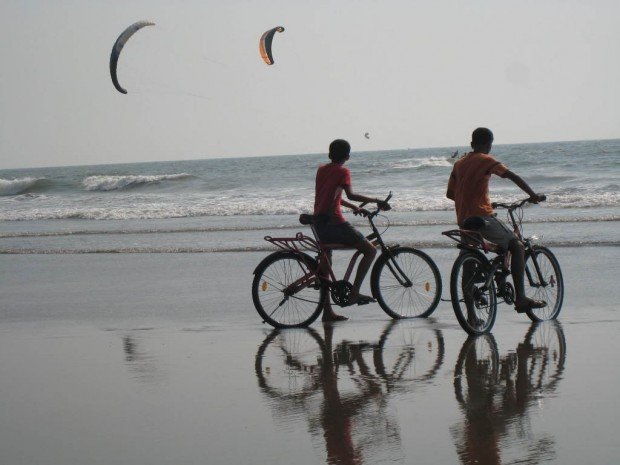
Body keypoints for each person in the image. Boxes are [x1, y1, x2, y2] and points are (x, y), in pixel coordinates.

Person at [446, 127, 546, 313]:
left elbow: (451, 194)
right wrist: (533, 195)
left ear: (471, 144)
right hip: (481, 216)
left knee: (467, 262)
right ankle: (521, 299)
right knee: (516, 245)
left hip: (463, 219)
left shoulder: (459, 164)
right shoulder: (486, 160)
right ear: (489, 144)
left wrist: (474, 199)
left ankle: (471, 317)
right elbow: (511, 176)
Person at [314, 139, 390, 322]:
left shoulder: (321, 170)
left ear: (329, 154)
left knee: (326, 267)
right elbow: (351, 195)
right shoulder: (343, 171)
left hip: (319, 223)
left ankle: (327, 313)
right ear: (347, 156)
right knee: (370, 250)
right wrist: (377, 200)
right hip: (335, 223)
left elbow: (333, 197)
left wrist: (355, 208)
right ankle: (354, 293)